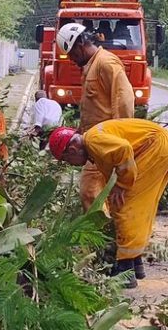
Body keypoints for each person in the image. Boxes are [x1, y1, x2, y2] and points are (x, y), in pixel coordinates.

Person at [48, 119, 168, 288]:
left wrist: (122, 185)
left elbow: (124, 149)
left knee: (125, 206)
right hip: (161, 146)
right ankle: (135, 263)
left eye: (67, 160)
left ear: (72, 150)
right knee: (139, 206)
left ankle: (126, 270)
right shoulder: (93, 145)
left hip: (158, 147)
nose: (70, 165)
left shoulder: (94, 141)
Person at [56, 21, 135, 211]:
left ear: (80, 45)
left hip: (107, 142)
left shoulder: (106, 63)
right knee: (95, 192)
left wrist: (120, 138)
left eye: (72, 54)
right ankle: (105, 230)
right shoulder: (91, 66)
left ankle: (101, 232)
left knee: (91, 191)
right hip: (94, 143)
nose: (72, 59)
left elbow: (123, 99)